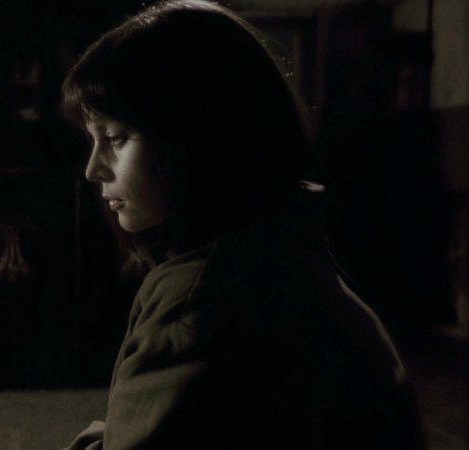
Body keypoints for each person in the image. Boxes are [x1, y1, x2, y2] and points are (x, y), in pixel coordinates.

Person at [59, 1, 424, 449]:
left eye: (115, 138)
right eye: (93, 139)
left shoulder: (207, 301)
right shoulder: (278, 249)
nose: (93, 168)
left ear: (195, 136)